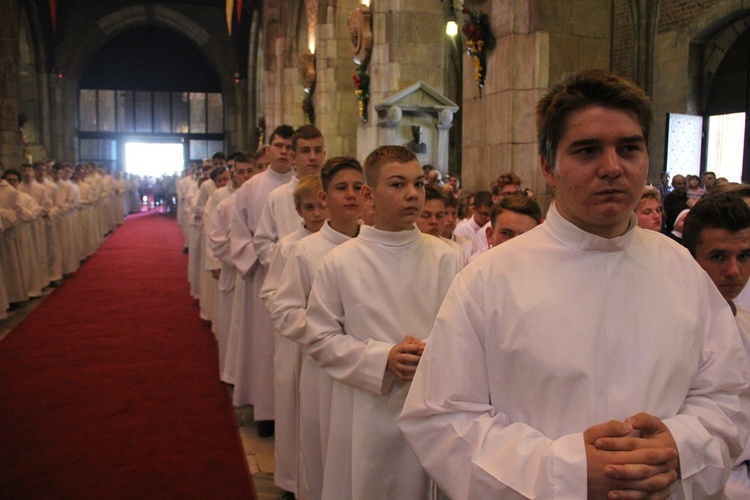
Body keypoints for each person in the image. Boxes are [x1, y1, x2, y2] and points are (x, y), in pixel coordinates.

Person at [399, 69, 750, 499]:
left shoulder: (681, 269)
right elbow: (440, 419)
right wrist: (568, 471)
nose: (613, 167)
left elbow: (727, 395)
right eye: (587, 150)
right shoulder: (489, 280)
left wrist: (678, 447)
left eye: (629, 148)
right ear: (548, 167)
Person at [305, 146, 462, 499]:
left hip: (432, 402)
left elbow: (467, 328)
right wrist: (382, 358)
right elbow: (319, 337)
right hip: (366, 407)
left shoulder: (448, 257)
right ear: (368, 194)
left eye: (419, 184)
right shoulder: (341, 261)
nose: (412, 194)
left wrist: (433, 350)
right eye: (398, 184)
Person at [270, 156, 364, 500]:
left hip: (364, 366)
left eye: (357, 187)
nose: (351, 195)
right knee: (322, 449)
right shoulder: (304, 251)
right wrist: (325, 333)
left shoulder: (373, 245)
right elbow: (283, 310)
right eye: (341, 188)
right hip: (323, 366)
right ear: (324, 197)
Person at [260, 175, 328, 498]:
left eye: (321, 205)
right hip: (298, 343)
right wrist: (310, 323)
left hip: (330, 345)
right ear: (299, 210)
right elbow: (272, 295)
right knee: (293, 411)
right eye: (309, 208)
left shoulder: (345, 243)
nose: (317, 214)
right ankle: (291, 482)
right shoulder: (288, 246)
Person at [681, 194, 750, 499]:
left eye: (745, 256)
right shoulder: (671, 331)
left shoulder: (746, 323)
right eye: (719, 256)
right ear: (691, 258)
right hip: (692, 475)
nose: (734, 271)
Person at [230, 124, 294, 437]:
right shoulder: (251, 188)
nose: (283, 151)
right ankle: (266, 410)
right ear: (268, 150)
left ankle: (290, 410)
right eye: (278, 145)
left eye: (288, 146)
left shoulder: (307, 187)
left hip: (300, 282)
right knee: (263, 345)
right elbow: (239, 232)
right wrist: (265, 257)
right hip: (262, 275)